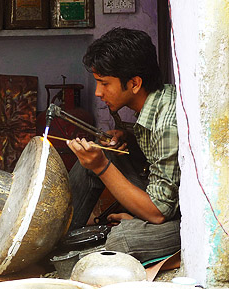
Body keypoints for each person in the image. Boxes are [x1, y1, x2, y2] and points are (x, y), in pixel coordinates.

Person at [66, 27, 181, 263]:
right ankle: (62, 235)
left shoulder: (167, 124)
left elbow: (159, 214)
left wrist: (101, 167)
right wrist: (127, 137)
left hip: (180, 216)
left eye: (104, 83)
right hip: (161, 198)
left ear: (135, 83)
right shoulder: (157, 99)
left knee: (123, 239)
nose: (98, 92)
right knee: (101, 153)